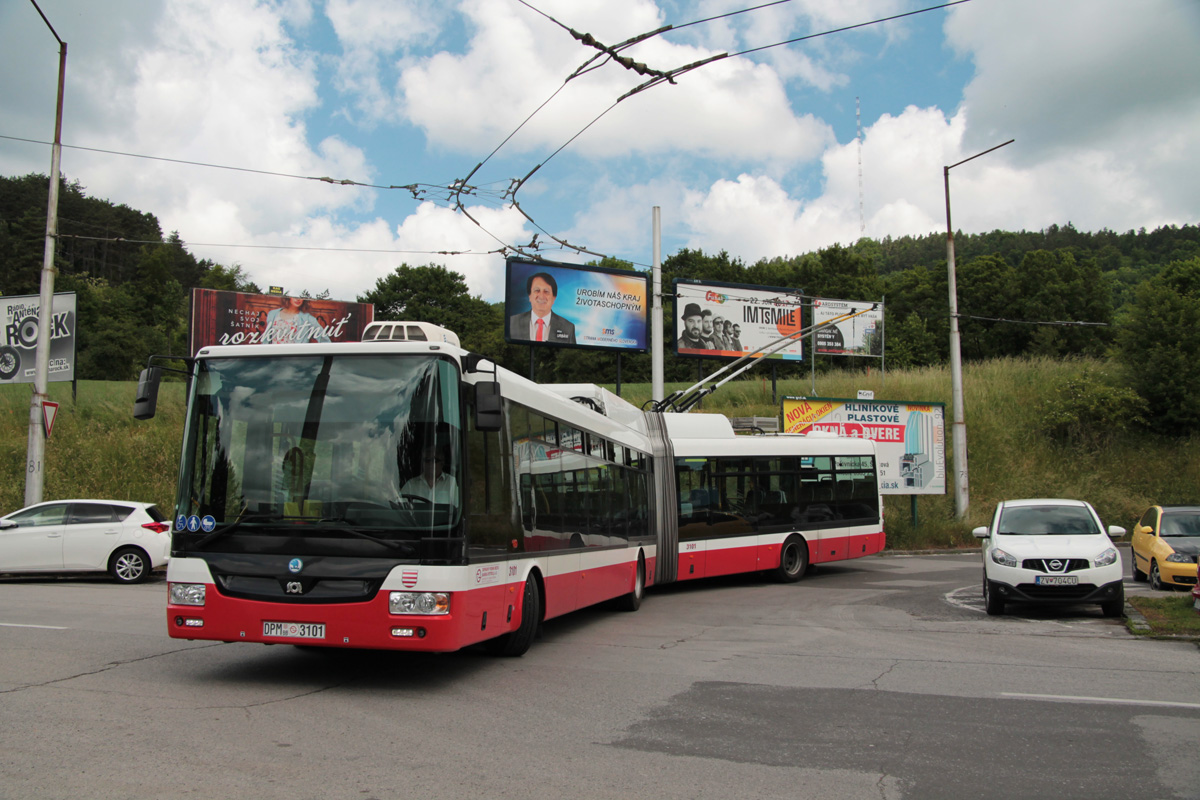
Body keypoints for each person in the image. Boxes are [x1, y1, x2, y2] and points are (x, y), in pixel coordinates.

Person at [508, 272, 576, 344]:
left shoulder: (568, 328)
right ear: (529, 296)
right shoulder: (512, 322)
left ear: (554, 298)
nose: (541, 296)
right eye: (537, 291)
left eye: (546, 291)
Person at [263, 296, 331, 344]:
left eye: (301, 296)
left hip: (295, 361)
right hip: (273, 360)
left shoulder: (308, 319)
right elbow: (266, 340)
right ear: (288, 296)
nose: (298, 299)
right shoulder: (272, 314)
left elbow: (325, 341)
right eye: (295, 296)